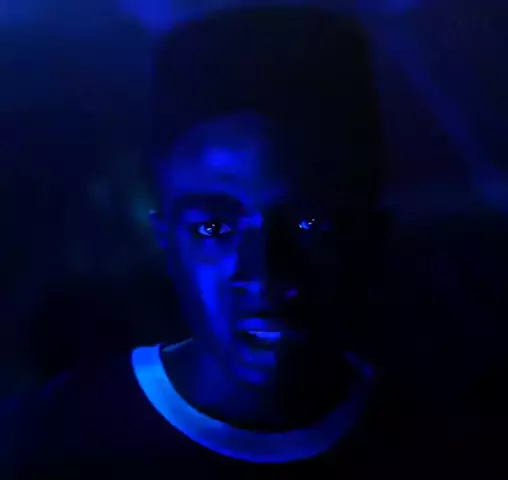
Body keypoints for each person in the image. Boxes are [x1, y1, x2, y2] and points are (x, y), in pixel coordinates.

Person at [8, 6, 478, 479]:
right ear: (167, 241)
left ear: (371, 236)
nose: (264, 274)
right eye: (214, 228)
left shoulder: (444, 443)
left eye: (310, 222)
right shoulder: (55, 442)